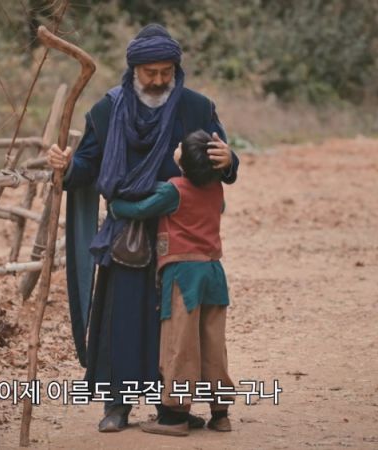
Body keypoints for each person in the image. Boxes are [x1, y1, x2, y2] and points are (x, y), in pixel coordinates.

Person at [46, 23, 239, 432]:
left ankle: (173, 407)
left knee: (177, 329)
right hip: (128, 234)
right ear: (134, 69)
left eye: (166, 72)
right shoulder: (107, 110)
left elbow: (218, 160)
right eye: (150, 72)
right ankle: (117, 406)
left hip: (182, 236)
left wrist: (230, 160)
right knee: (123, 320)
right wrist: (67, 166)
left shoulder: (197, 108)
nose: (158, 80)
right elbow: (87, 167)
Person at [109, 130, 235, 436]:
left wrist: (115, 206)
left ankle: (175, 416)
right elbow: (215, 208)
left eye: (180, 147)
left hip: (183, 275)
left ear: (184, 163)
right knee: (213, 343)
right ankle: (220, 414)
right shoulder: (216, 188)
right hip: (213, 271)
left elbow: (141, 209)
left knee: (180, 343)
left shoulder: (174, 190)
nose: (175, 147)